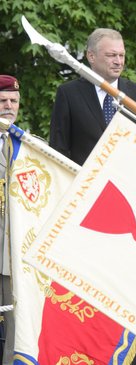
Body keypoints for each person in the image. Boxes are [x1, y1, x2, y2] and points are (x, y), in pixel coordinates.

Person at [49, 28, 136, 165]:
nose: (118, 62)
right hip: (85, 182)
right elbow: (58, 149)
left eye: (121, 55)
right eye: (111, 55)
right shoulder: (69, 94)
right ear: (91, 56)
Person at [0, 74, 20, 365]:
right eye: (2, 100)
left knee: (15, 325)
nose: (8, 106)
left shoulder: (26, 144)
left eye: (13, 100)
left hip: (12, 251)